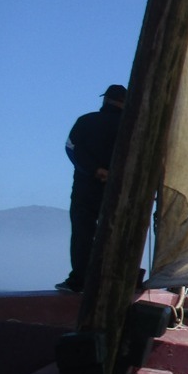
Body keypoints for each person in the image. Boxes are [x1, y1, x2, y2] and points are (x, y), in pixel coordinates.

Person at [56, 84, 126, 293]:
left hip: (86, 187)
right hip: (122, 190)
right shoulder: (132, 126)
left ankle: (79, 280)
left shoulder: (86, 121)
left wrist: (95, 170)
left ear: (105, 100)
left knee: (83, 233)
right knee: (117, 233)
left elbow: (71, 149)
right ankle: (114, 281)